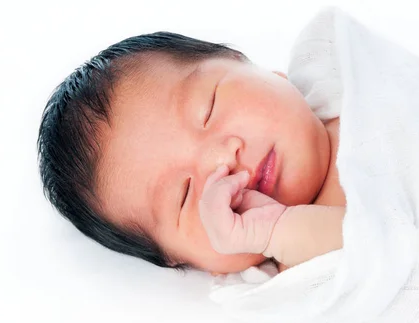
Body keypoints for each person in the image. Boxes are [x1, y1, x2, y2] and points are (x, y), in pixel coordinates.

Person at [37, 31, 346, 276]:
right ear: (182, 260)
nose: (222, 162)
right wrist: (274, 231)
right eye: (183, 196)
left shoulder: (337, 58)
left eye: (208, 111)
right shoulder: (307, 269)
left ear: (249, 65)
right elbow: (382, 252)